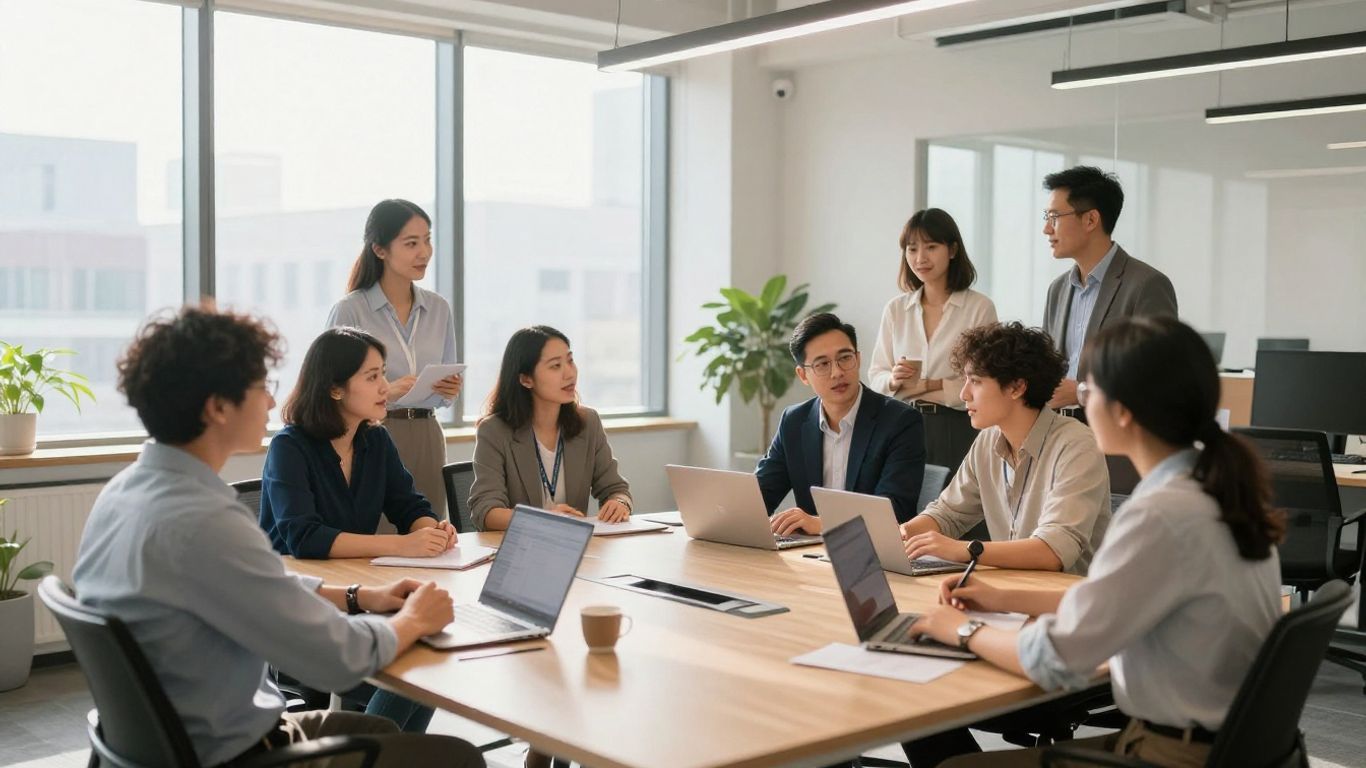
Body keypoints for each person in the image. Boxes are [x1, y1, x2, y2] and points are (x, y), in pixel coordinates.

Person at [72, 306, 482, 768]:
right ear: (217, 407)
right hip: (239, 753)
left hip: (170, 742)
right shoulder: (206, 521)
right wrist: (412, 622)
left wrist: (358, 595)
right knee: (457, 757)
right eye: (260, 387)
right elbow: (335, 661)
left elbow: (257, 585)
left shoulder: (123, 494)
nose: (270, 402)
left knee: (384, 730)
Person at [908, 316, 1284, 768]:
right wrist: (1000, 596)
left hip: (1171, 754)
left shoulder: (1161, 515)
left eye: (1089, 392)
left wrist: (962, 630)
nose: (1082, 401)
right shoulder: (1209, 489)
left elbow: (1055, 658)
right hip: (1226, 744)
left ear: (1123, 410)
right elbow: (1118, 597)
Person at [260, 326, 458, 734]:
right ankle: (374, 749)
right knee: (414, 645)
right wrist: (404, 544)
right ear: (335, 389)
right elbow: (305, 536)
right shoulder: (290, 447)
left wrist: (431, 530)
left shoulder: (376, 441)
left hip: (360, 589)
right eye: (372, 377)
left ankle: (389, 750)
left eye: (383, 374)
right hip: (304, 603)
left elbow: (409, 505)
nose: (386, 387)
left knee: (427, 641)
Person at [899, 321, 1111, 575]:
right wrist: (902, 533)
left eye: (975, 381)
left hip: (1068, 603)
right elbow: (948, 514)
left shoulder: (1077, 445)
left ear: (1016, 387)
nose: (964, 393)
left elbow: (1053, 550)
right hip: (1009, 593)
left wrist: (965, 550)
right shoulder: (988, 441)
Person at [327, 199, 461, 527]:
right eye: (411, 243)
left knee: (428, 533)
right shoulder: (351, 310)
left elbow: (448, 384)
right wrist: (388, 391)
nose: (424, 252)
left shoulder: (439, 308)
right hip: (371, 435)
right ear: (380, 249)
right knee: (376, 539)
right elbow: (331, 388)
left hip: (427, 433)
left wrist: (448, 389)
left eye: (427, 240)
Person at [756, 312, 927, 534]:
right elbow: (760, 496)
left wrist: (821, 524)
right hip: (808, 555)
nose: (837, 372)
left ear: (858, 359)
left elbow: (895, 510)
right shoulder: (794, 421)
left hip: (875, 555)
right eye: (823, 364)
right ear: (803, 375)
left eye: (845, 358)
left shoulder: (900, 421)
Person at [869, 208, 997, 473]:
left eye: (931, 247)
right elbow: (876, 376)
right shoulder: (896, 309)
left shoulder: (979, 308)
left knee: (955, 510)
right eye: (912, 249)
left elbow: (985, 382)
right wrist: (894, 381)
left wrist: (924, 385)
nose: (920, 258)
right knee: (900, 509)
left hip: (956, 427)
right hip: (901, 425)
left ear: (952, 250)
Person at [469, 325, 632, 532]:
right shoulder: (494, 431)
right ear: (526, 379)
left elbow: (616, 488)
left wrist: (620, 503)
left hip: (573, 549)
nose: (570, 373)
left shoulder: (588, 423)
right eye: (555, 366)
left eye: (570, 361)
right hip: (521, 550)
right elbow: (486, 511)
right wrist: (543, 518)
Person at [1040, 166, 1177, 410]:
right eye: (1046, 218)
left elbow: (1159, 377)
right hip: (1059, 436)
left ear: (1091, 219)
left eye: (1054, 218)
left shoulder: (1147, 285)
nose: (1047, 229)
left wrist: (1082, 393)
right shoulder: (1057, 290)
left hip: (1116, 439)